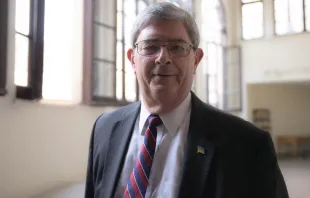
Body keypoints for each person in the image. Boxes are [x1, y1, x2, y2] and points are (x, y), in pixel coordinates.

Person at [85, 2, 289, 198]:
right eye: (150, 46)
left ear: (196, 60)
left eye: (177, 47)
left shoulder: (248, 146)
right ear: (132, 60)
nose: (163, 57)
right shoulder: (105, 129)